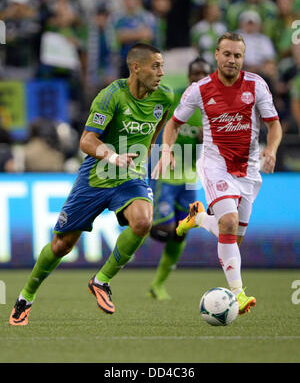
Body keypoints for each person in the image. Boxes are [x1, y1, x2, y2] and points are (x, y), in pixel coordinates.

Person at [9, 43, 174, 326]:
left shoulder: (165, 97)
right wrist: (113, 156)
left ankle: (102, 280)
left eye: (162, 66)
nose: (161, 72)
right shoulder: (111, 96)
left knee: (143, 221)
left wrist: (159, 153)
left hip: (130, 175)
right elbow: (86, 141)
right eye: (155, 66)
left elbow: (158, 128)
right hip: (96, 176)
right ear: (136, 67)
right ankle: (26, 297)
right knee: (61, 246)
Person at [152, 32, 282, 314]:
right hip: (216, 164)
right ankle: (240, 295)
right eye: (227, 54)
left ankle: (198, 217)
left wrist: (271, 151)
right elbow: (173, 124)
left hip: (248, 168)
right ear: (217, 55)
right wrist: (166, 151)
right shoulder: (199, 89)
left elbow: (274, 125)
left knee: (234, 239)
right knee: (229, 222)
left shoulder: (257, 85)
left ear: (243, 58)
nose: (232, 60)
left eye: (237, 55)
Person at [148, 57, 212, 300]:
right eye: (195, 73)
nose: (198, 77)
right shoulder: (173, 97)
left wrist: (205, 140)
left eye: (203, 74)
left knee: (182, 231)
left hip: (189, 178)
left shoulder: (211, 107)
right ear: (188, 76)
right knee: (161, 230)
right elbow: (155, 120)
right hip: (164, 173)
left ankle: (158, 284)